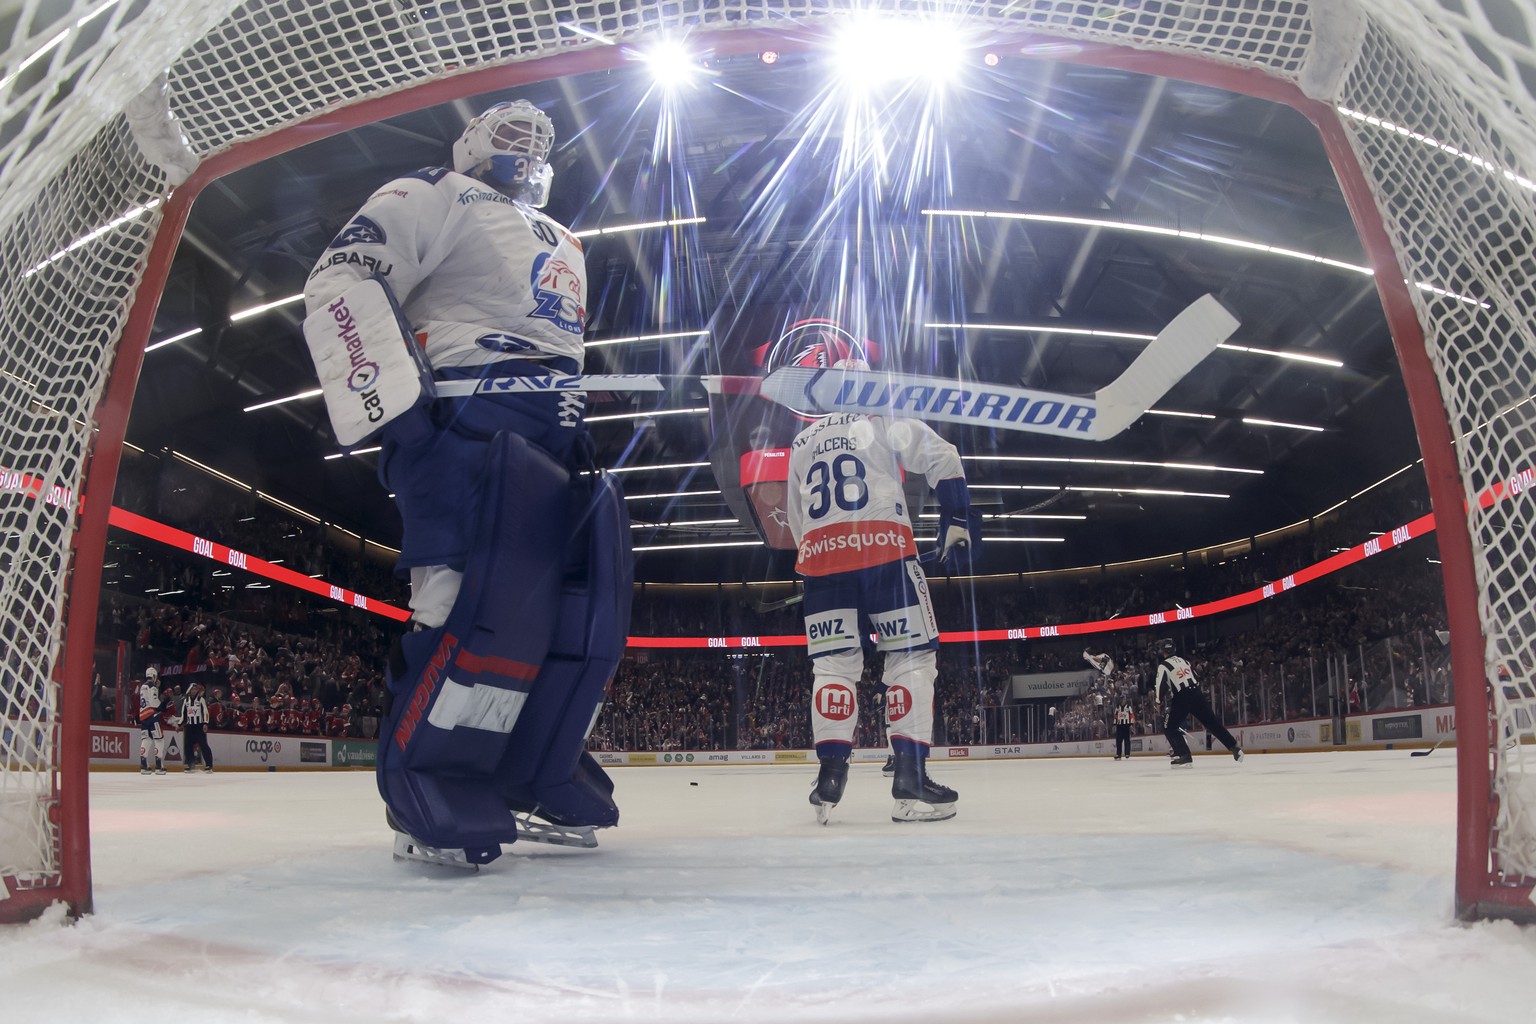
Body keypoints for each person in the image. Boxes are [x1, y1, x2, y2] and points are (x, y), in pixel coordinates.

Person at [302, 99, 632, 867]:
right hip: (460, 427)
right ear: (472, 139)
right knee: (460, 600)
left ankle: (531, 770)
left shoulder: (565, 239)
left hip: (552, 437)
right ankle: (427, 782)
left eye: (542, 138)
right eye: (510, 131)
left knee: (574, 614)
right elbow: (341, 282)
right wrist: (396, 407)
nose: (530, 144)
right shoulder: (431, 191)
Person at [786, 357, 974, 824]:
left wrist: (822, 554)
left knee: (833, 665)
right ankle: (909, 778)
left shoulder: (802, 441)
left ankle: (829, 778)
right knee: (910, 657)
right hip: (886, 552)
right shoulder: (881, 417)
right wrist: (958, 518)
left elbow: (796, 519)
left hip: (822, 562)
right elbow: (943, 456)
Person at [1153, 638, 1243, 767]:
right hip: (1196, 693)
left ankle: (1185, 755)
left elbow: (1160, 684)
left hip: (1182, 697)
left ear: (1162, 651)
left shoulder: (1163, 665)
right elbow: (1195, 676)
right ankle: (1234, 747)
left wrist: (1158, 701)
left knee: (1169, 727)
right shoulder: (1184, 661)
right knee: (1212, 722)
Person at [136, 667, 172, 775]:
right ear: (154, 676)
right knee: (159, 739)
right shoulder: (152, 686)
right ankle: (159, 766)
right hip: (152, 716)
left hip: (143, 716)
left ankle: (143, 765)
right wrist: (163, 706)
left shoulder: (143, 686)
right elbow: (153, 701)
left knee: (146, 739)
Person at [180, 682, 214, 773]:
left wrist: (205, 723)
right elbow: (184, 714)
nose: (194, 691)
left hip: (199, 726)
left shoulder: (201, 699)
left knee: (203, 745)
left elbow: (205, 712)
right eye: (192, 689)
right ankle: (190, 765)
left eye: (196, 689)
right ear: (189, 690)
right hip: (189, 726)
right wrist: (179, 724)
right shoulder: (186, 701)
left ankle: (209, 765)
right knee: (188, 745)